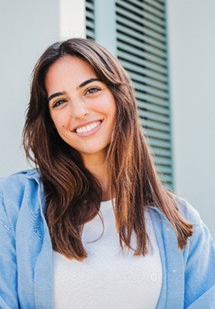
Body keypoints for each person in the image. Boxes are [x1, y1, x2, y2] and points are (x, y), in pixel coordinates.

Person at [0, 38, 215, 309]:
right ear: (50, 120)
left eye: (91, 90)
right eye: (60, 102)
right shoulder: (12, 205)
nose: (79, 111)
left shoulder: (181, 221)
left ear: (119, 95)